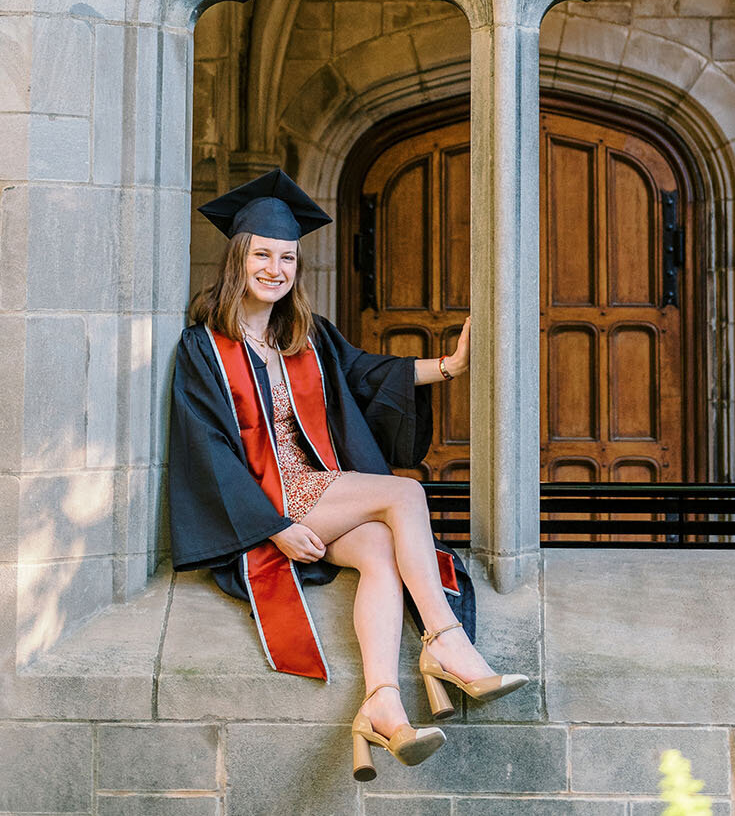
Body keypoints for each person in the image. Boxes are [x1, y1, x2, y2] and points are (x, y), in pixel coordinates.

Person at [168, 168, 528, 781]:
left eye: (287, 257)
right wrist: (272, 526)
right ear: (238, 259)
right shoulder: (203, 347)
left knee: (384, 550)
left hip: (320, 491)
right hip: (276, 502)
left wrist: (449, 365)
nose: (276, 269)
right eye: (262, 255)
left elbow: (368, 375)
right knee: (405, 492)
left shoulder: (305, 337)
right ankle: (443, 640)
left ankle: (382, 703)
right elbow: (206, 448)